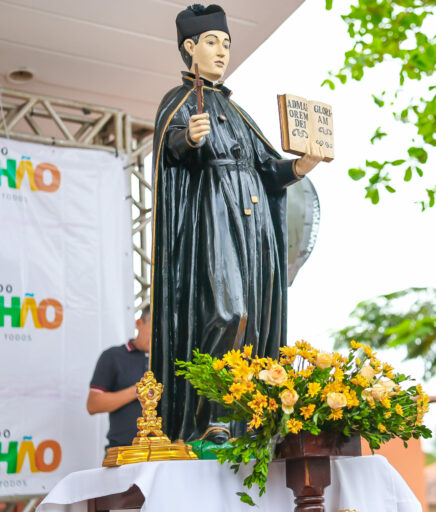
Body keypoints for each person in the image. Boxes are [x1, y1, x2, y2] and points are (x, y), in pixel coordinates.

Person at [150, 4, 322, 444]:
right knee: (228, 312)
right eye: (212, 42)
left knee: (257, 317)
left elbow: (268, 168)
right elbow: (170, 150)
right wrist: (186, 137)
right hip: (213, 218)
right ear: (190, 47)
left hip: (252, 226)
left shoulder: (238, 112)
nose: (222, 51)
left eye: (226, 43)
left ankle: (248, 415)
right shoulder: (180, 101)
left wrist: (301, 166)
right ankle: (212, 416)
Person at [87, 306, 150, 448]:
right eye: (153, 329)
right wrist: (138, 390)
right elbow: (93, 404)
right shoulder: (113, 356)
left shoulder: (172, 361)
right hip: (123, 451)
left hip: (167, 453)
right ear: (139, 324)